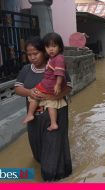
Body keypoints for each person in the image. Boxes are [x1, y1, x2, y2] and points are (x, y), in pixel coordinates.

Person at [15, 36, 72, 181]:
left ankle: (55, 178)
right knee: (38, 151)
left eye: (36, 53)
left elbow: (69, 87)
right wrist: (30, 92)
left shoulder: (56, 65)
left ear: (44, 52)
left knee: (53, 154)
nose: (32, 57)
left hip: (55, 115)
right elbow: (17, 88)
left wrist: (51, 98)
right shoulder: (26, 69)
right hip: (34, 118)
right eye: (29, 54)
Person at [23, 32, 67, 131]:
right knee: (51, 104)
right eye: (48, 47)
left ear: (60, 47)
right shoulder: (53, 59)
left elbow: (60, 73)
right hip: (51, 87)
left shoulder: (58, 59)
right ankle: (53, 123)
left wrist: (58, 85)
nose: (50, 49)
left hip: (49, 85)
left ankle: (30, 114)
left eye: (54, 46)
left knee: (35, 93)